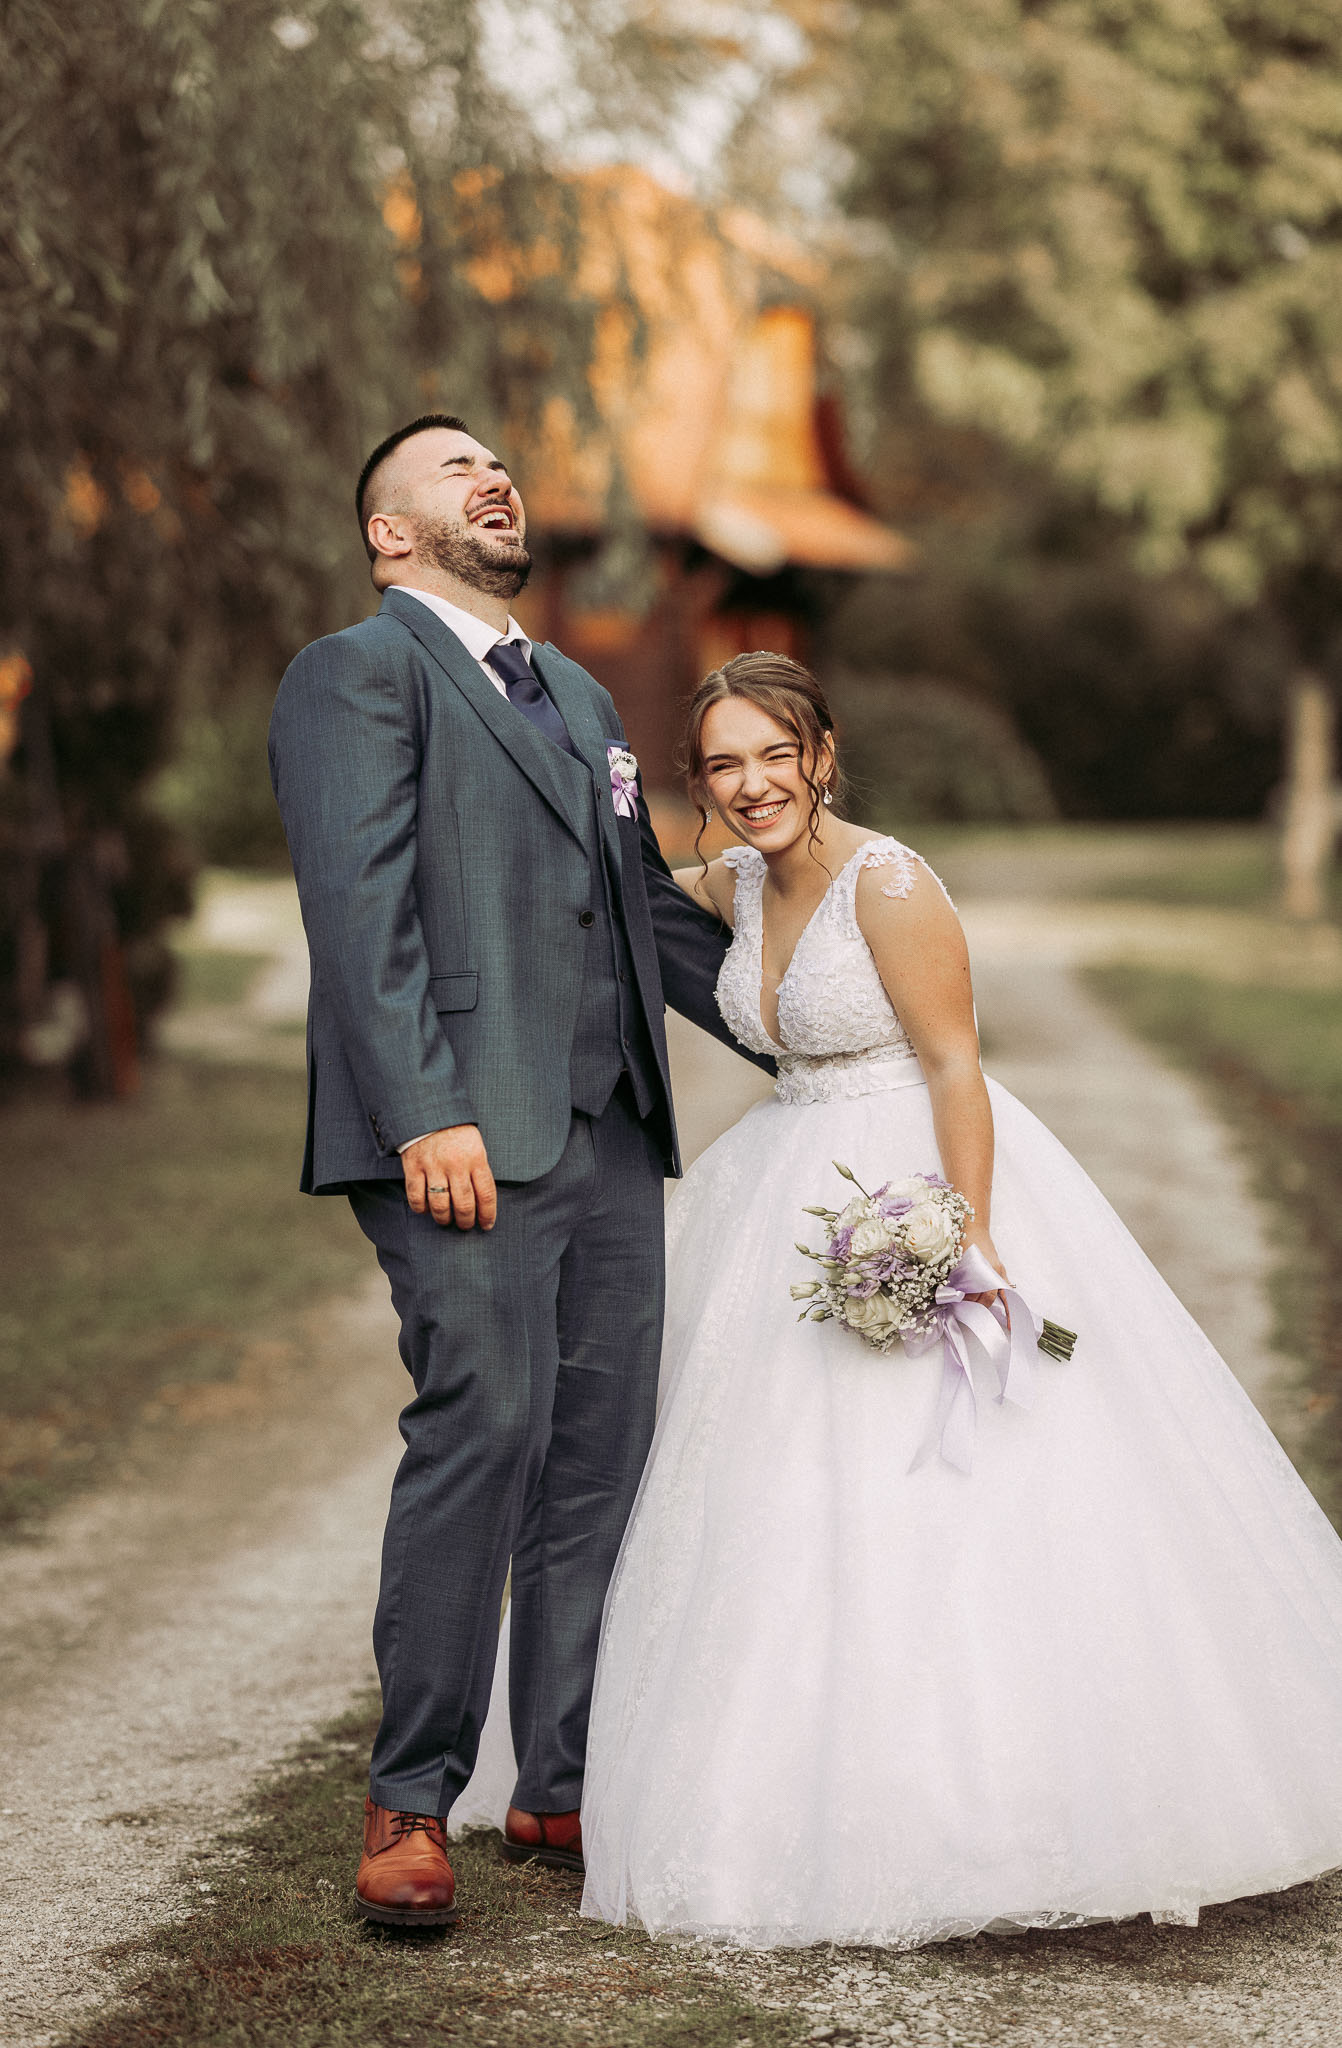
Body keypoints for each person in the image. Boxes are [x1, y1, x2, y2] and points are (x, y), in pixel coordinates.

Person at [575, 650, 1342, 1949]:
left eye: (776, 755)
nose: (753, 785)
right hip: (781, 1186)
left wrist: (964, 1242)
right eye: (724, 765)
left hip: (912, 1174)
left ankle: (1006, 1796)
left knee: (958, 1474)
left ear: (822, 756)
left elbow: (951, 1063)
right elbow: (621, 879)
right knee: (761, 1482)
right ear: (698, 782)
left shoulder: (890, 883)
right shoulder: (736, 880)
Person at [267, 415, 770, 1929]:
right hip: (461, 1134)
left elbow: (640, 911)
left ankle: (558, 1779)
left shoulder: (579, 694)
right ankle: (409, 1801)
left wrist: (811, 1026)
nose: (493, 477)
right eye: (452, 468)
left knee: (599, 1453)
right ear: (388, 532)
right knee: (484, 1431)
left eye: (498, 463)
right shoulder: (356, 674)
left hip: (609, 1126)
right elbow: (359, 910)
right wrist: (425, 1112)